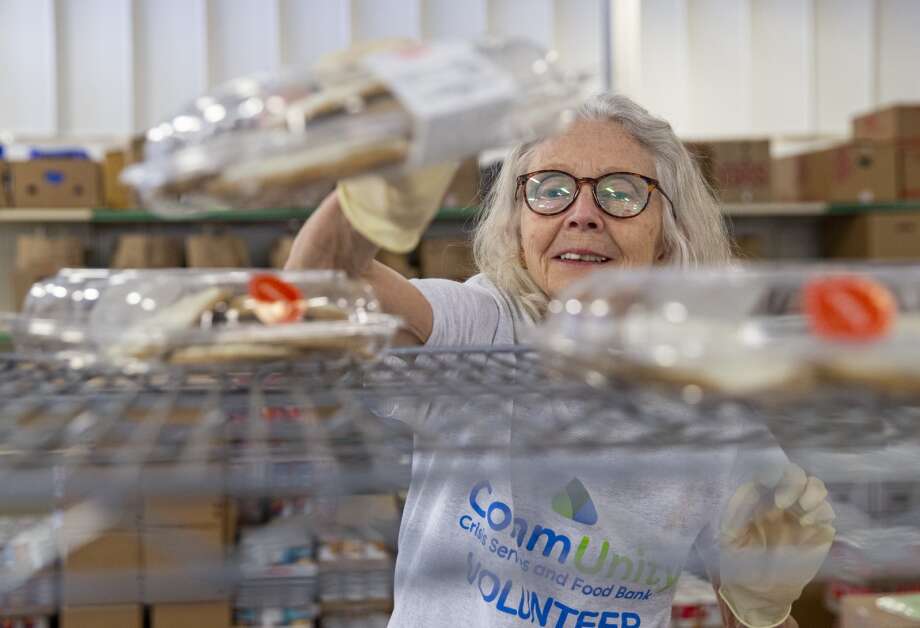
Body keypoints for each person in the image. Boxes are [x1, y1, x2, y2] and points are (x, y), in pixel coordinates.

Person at [286, 93, 834, 628]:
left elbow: (748, 602)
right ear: (518, 225)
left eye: (621, 193)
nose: (583, 214)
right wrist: (386, 170)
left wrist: (765, 607)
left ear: (667, 236)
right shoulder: (482, 328)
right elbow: (323, 276)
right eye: (551, 190)